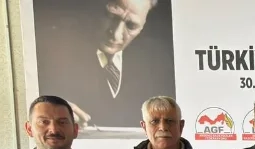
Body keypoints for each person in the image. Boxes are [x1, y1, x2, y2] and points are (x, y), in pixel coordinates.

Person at [34, 0, 176, 130]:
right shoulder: (51, 51)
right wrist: (50, 109)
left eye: (131, 26)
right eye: (111, 16)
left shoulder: (159, 60)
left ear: (143, 25)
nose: (116, 34)